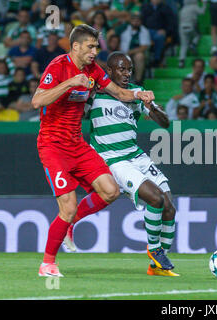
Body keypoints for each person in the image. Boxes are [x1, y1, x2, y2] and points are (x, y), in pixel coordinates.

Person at [32, 24, 154, 277]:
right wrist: (68, 83)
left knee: (111, 190)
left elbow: (120, 92)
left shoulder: (93, 70)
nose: (95, 51)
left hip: (77, 144)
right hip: (53, 146)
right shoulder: (58, 67)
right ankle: (48, 263)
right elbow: (37, 101)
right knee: (67, 206)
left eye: (97, 46)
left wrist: (140, 94)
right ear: (75, 46)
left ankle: (72, 222)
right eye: (91, 46)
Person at [81, 52, 178, 276]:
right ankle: (154, 250)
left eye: (129, 70)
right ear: (110, 71)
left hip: (136, 156)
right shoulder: (95, 94)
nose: (126, 74)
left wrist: (150, 106)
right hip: (114, 160)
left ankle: (157, 264)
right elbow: (77, 114)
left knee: (169, 206)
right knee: (155, 198)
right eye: (121, 69)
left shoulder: (136, 92)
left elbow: (165, 123)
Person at [117, 13, 151, 84]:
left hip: (137, 54)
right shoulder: (124, 28)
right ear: (130, 21)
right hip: (123, 52)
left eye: (137, 20)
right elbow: (114, 37)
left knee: (139, 56)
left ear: (140, 21)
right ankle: (122, 82)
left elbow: (144, 47)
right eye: (133, 20)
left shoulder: (144, 30)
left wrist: (130, 52)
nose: (135, 22)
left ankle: (138, 81)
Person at [141, 0, 176, 67]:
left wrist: (166, 30)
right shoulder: (145, 7)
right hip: (146, 31)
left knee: (159, 37)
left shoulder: (166, 8)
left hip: (159, 31)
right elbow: (142, 20)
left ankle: (157, 59)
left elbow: (171, 22)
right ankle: (145, 61)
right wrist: (144, 31)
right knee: (142, 38)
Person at [178, 0, 206, 68]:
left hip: (181, 27)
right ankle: (193, 44)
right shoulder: (194, 7)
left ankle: (181, 61)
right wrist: (204, 3)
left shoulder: (182, 9)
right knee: (197, 35)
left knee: (183, 45)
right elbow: (202, 12)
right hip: (191, 26)